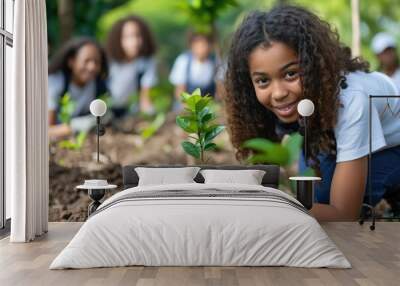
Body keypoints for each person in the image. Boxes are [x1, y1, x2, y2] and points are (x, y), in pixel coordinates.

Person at [225, 5, 400, 221]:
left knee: (327, 206)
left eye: (290, 74)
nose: (278, 93)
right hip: (330, 136)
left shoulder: (352, 100)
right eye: (263, 80)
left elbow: (343, 214)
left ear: (313, 67)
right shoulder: (284, 100)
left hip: (392, 147)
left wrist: (274, 210)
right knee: (310, 194)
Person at [48, 37, 109, 139]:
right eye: (86, 61)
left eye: (97, 62)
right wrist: (74, 126)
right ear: (71, 62)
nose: (92, 67)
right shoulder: (55, 82)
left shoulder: (96, 85)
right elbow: (47, 131)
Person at [106, 15, 158, 116]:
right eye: (128, 37)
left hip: (130, 112)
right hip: (107, 110)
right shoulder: (109, 63)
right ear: (118, 39)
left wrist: (150, 115)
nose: (134, 42)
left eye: (138, 36)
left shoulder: (146, 63)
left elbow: (145, 97)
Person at [169, 31, 219, 110]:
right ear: (192, 45)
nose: (202, 48)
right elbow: (179, 91)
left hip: (209, 105)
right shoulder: (184, 60)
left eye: (205, 44)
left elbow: (220, 89)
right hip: (187, 105)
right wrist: (188, 107)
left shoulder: (215, 62)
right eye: (198, 45)